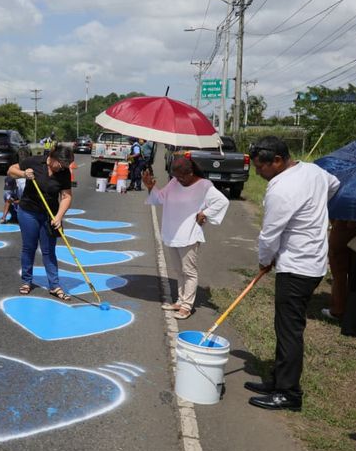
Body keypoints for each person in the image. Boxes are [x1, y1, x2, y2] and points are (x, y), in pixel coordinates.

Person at [246, 136, 340, 411]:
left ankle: (288, 393)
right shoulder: (313, 171)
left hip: (297, 267)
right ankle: (277, 380)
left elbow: (269, 235)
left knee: (289, 330)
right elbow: (334, 186)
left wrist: (265, 260)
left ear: (277, 160)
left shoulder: (281, 189)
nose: (257, 173)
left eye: (260, 168)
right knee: (284, 326)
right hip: (312, 264)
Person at [143, 157, 229, 320]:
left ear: (191, 173)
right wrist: (150, 187)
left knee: (189, 271)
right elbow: (160, 198)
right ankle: (180, 300)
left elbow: (222, 202)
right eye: (176, 176)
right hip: (172, 232)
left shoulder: (204, 185)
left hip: (189, 234)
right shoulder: (175, 182)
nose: (179, 179)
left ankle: (187, 306)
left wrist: (205, 213)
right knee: (178, 270)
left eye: (182, 176)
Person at [8, 145, 74, 301]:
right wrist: (23, 173)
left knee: (49, 250)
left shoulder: (64, 173)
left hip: (49, 215)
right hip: (28, 211)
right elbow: (11, 170)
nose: (63, 168)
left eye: (66, 166)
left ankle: (54, 285)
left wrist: (58, 217)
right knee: (29, 247)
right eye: (62, 164)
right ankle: (26, 281)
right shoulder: (35, 161)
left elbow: (66, 197)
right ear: (54, 159)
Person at [322, 220, 356, 321]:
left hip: (341, 233)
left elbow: (333, 215)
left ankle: (338, 310)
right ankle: (353, 308)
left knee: (339, 275)